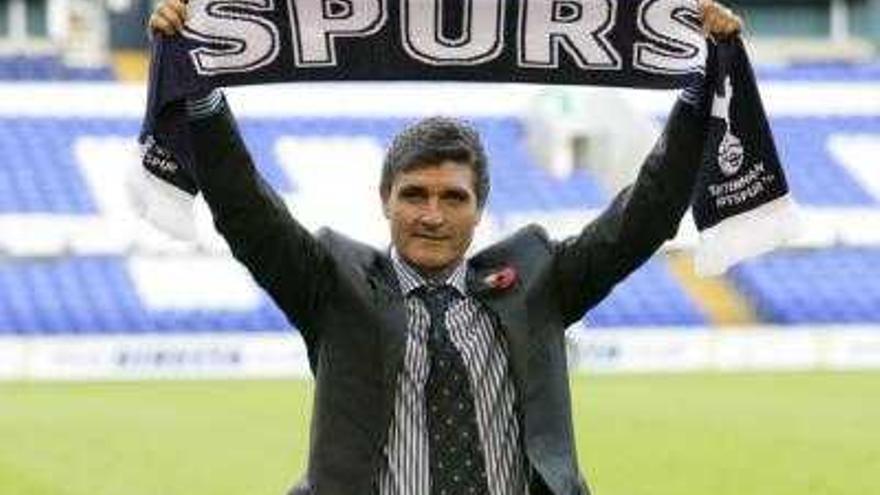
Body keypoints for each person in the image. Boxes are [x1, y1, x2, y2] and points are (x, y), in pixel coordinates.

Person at [149, 2, 742, 494]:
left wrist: (699, 93)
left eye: (453, 198)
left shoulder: (540, 277)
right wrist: (196, 86)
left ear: (478, 209)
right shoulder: (333, 285)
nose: (432, 216)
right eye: (415, 195)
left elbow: (647, 213)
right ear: (386, 200)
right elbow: (244, 207)